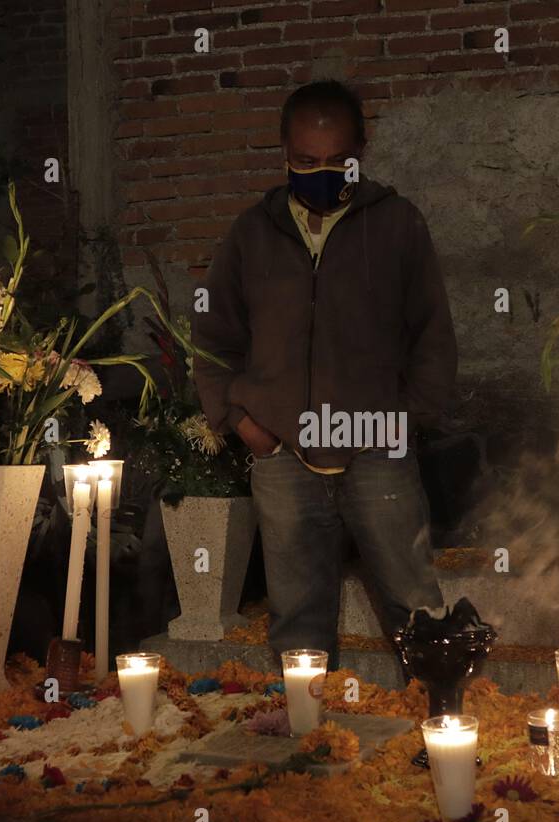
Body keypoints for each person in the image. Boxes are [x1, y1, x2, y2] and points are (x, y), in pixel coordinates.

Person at [192, 80, 457, 669]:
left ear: (362, 149)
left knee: (416, 609)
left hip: (377, 453)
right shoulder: (251, 234)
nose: (323, 172)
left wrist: (403, 424)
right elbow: (212, 339)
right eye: (307, 162)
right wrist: (240, 419)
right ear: (283, 153)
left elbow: (433, 338)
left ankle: (441, 731)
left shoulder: (397, 225)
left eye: (339, 161)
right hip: (283, 458)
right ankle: (309, 743)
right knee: (297, 622)